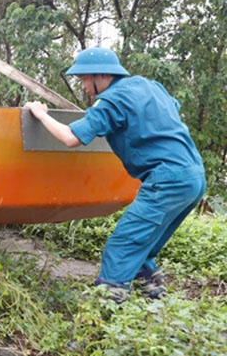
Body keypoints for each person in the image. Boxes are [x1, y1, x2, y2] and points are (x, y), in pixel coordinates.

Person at [24, 47, 206, 302]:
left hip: (166, 179)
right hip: (194, 177)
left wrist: (41, 114)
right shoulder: (149, 85)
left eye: (84, 79)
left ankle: (105, 316)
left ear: (100, 76)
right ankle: (154, 308)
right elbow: (169, 110)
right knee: (145, 246)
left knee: (122, 246)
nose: (84, 87)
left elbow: (70, 137)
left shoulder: (110, 101)